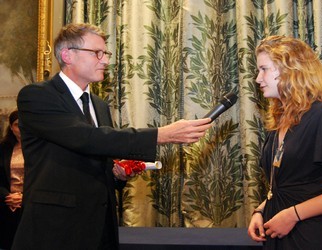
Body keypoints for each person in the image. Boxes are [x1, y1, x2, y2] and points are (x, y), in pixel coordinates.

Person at [12, 23, 212, 250]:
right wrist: (161, 134)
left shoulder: (99, 105)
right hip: (54, 230)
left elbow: (98, 154)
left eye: (105, 53)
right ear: (68, 55)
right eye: (97, 53)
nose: (105, 60)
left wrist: (117, 174)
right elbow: (86, 138)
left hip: (99, 230)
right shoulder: (37, 96)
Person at [247, 36, 322, 249]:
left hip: (310, 237)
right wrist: (261, 210)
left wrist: (293, 215)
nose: (258, 78)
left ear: (291, 70)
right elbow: (294, 187)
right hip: (278, 233)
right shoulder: (280, 121)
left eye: (264, 69)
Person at [0, 110, 23, 250]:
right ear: (11, 127)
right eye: (17, 125)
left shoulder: (40, 148)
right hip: (8, 204)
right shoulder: (3, 149)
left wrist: (24, 196)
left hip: (32, 203)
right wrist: (7, 196)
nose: (21, 129)